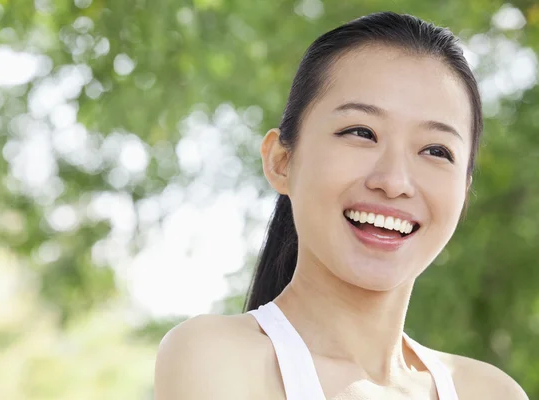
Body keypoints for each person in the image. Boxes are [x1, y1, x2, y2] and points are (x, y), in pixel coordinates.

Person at [153, 11, 529, 400]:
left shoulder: (491, 391)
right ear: (282, 162)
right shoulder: (219, 357)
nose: (395, 181)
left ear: (464, 191)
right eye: (361, 132)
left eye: (436, 150)